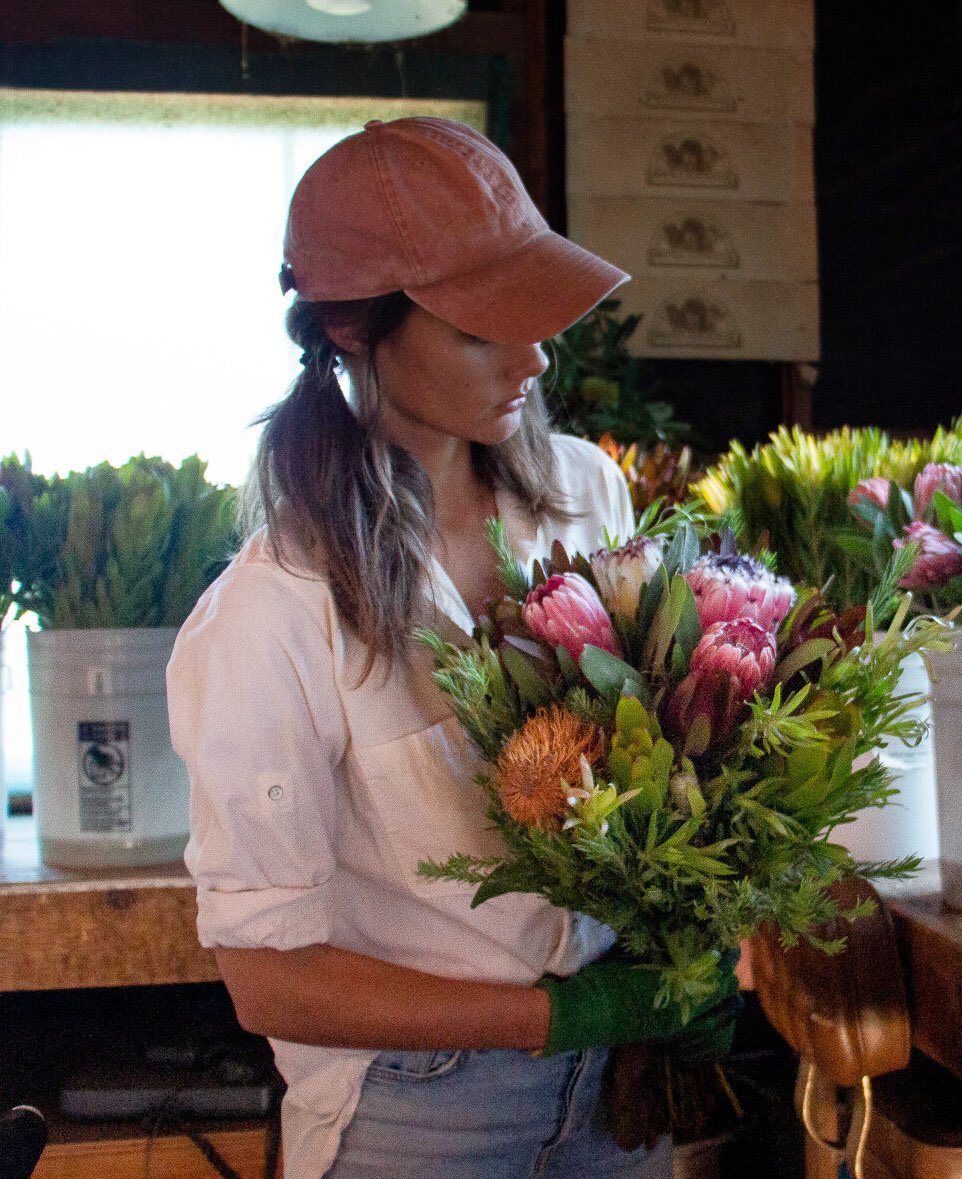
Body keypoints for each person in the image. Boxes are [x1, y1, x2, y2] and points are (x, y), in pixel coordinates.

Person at [166, 117, 735, 1179]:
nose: (533, 356)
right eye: (482, 327)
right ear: (351, 330)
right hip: (419, 1115)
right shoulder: (277, 610)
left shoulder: (583, 496)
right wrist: (550, 1015)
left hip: (615, 1090)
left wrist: (680, 946)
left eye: (532, 312)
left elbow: (662, 772)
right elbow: (269, 983)